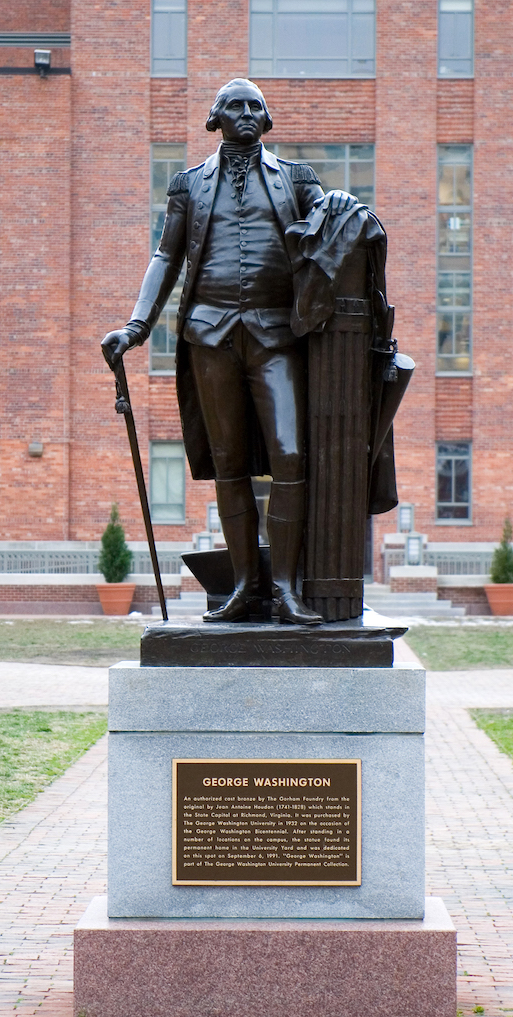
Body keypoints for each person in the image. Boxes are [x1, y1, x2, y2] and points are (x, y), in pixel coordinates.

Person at [101, 78, 357, 625]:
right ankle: (244, 586)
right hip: (210, 334)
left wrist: (337, 204)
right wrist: (136, 326)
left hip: (275, 337)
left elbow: (340, 228)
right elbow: (166, 257)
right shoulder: (188, 184)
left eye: (255, 106)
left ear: (268, 120)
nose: (245, 113)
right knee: (229, 465)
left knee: (290, 456)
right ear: (214, 118)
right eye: (234, 106)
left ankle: (285, 590)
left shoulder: (296, 178)